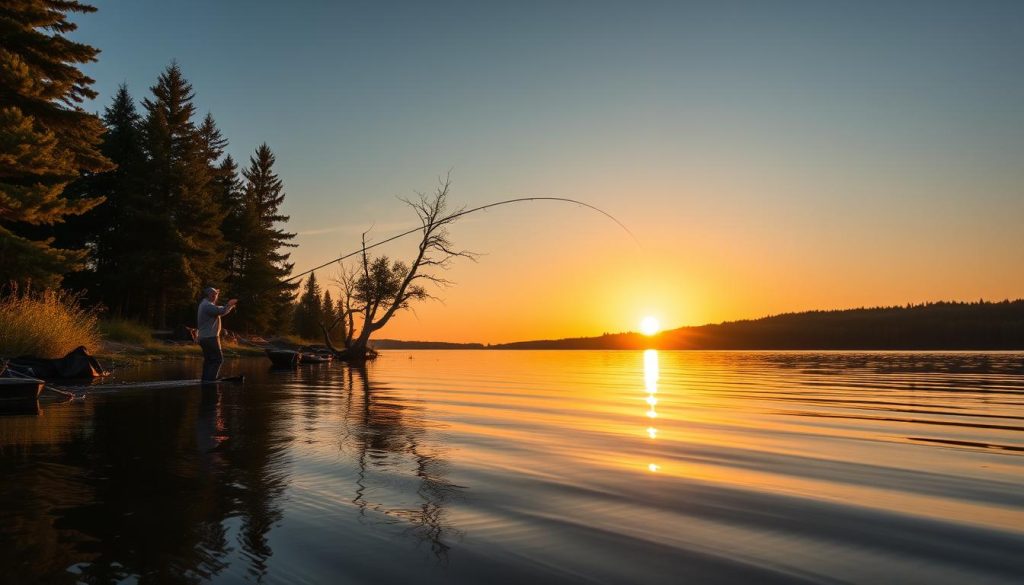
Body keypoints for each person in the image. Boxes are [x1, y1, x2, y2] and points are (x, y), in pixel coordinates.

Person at [197, 286, 238, 382]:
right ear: (211, 296)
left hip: (204, 338)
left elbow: (220, 309)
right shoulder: (207, 306)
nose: (217, 297)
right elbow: (222, 311)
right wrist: (230, 304)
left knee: (209, 360)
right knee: (218, 359)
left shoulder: (204, 304)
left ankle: (206, 379)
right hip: (210, 338)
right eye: (216, 295)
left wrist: (229, 306)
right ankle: (211, 380)